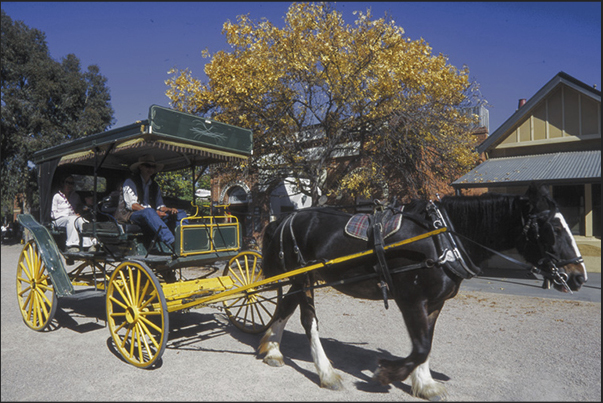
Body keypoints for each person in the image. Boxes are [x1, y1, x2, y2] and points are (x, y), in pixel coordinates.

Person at [115, 155, 187, 250]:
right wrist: (154, 213)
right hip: (132, 215)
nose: (151, 169)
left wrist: (169, 209)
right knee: (149, 211)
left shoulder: (154, 186)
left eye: (153, 167)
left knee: (181, 212)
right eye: (147, 166)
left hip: (151, 214)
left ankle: (184, 240)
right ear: (140, 167)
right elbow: (132, 205)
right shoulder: (130, 181)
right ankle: (172, 242)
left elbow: (160, 205)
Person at [51, 175, 97, 252]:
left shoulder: (75, 196)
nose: (70, 185)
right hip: (58, 221)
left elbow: (79, 208)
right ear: (63, 184)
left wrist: (82, 210)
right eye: (67, 183)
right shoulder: (57, 196)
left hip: (73, 219)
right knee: (72, 219)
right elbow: (53, 214)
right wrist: (69, 215)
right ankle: (71, 245)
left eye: (72, 183)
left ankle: (88, 244)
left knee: (81, 220)